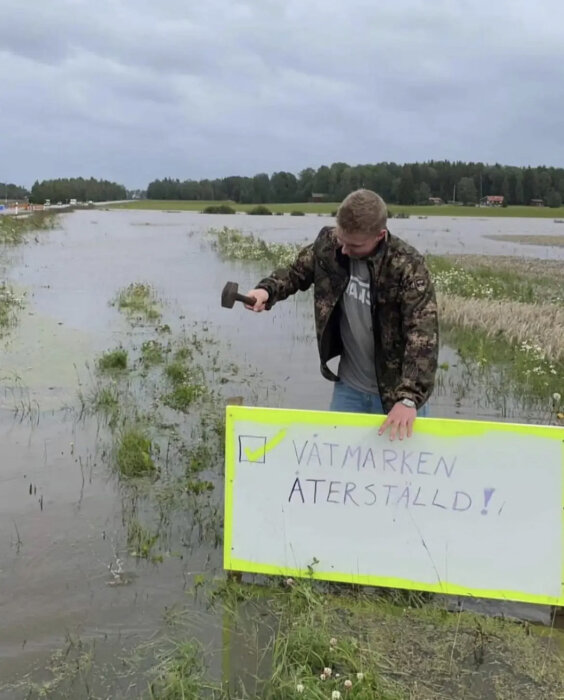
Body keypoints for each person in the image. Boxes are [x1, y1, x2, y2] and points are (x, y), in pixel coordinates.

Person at [245, 189, 438, 441]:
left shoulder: (408, 267)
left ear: (380, 235)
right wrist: (265, 291)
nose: (344, 250)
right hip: (350, 389)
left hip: (397, 397)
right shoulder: (328, 243)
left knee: (402, 475)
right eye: (341, 239)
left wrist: (409, 399)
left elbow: (422, 336)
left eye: (354, 245)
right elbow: (295, 273)